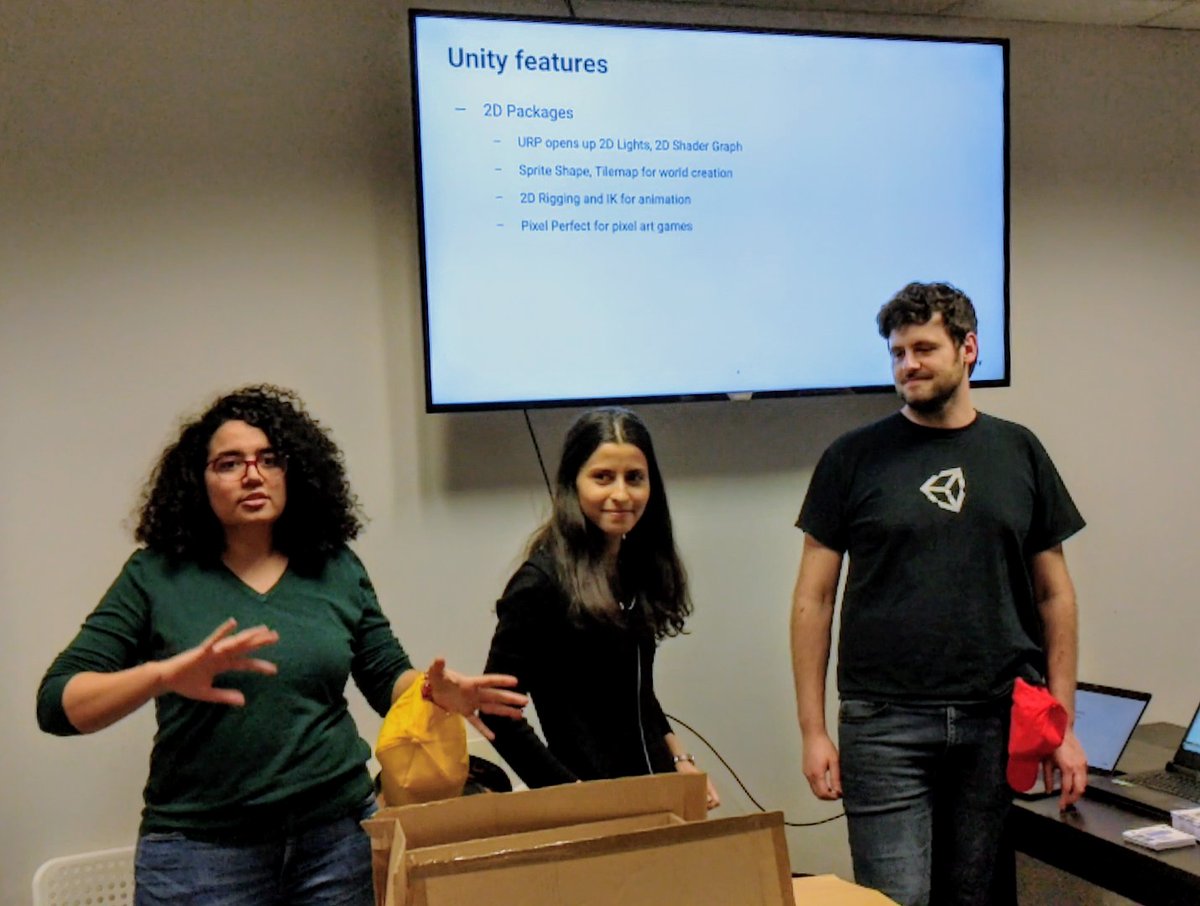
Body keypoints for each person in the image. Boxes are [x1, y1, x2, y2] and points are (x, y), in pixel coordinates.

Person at [36, 384, 526, 906]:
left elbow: (386, 675)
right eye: (229, 463)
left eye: (269, 459)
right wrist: (161, 676)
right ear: (198, 480)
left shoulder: (334, 566)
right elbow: (58, 704)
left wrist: (431, 691)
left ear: (294, 472)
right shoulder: (156, 576)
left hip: (337, 843)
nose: (253, 474)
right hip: (202, 857)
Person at [789, 283, 1086, 906]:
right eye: (897, 353)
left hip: (995, 718)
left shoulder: (1020, 450)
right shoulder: (851, 457)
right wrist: (813, 731)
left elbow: (1055, 596)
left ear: (968, 348)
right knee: (895, 899)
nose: (908, 365)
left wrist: (1060, 722)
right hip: (883, 724)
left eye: (924, 348)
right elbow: (813, 601)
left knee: (972, 898)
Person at [480, 407, 719, 809]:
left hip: (655, 793)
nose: (621, 494)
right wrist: (572, 795)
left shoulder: (635, 568)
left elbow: (636, 691)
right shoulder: (539, 584)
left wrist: (679, 758)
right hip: (594, 806)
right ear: (573, 484)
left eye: (635, 478)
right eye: (603, 477)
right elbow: (495, 713)